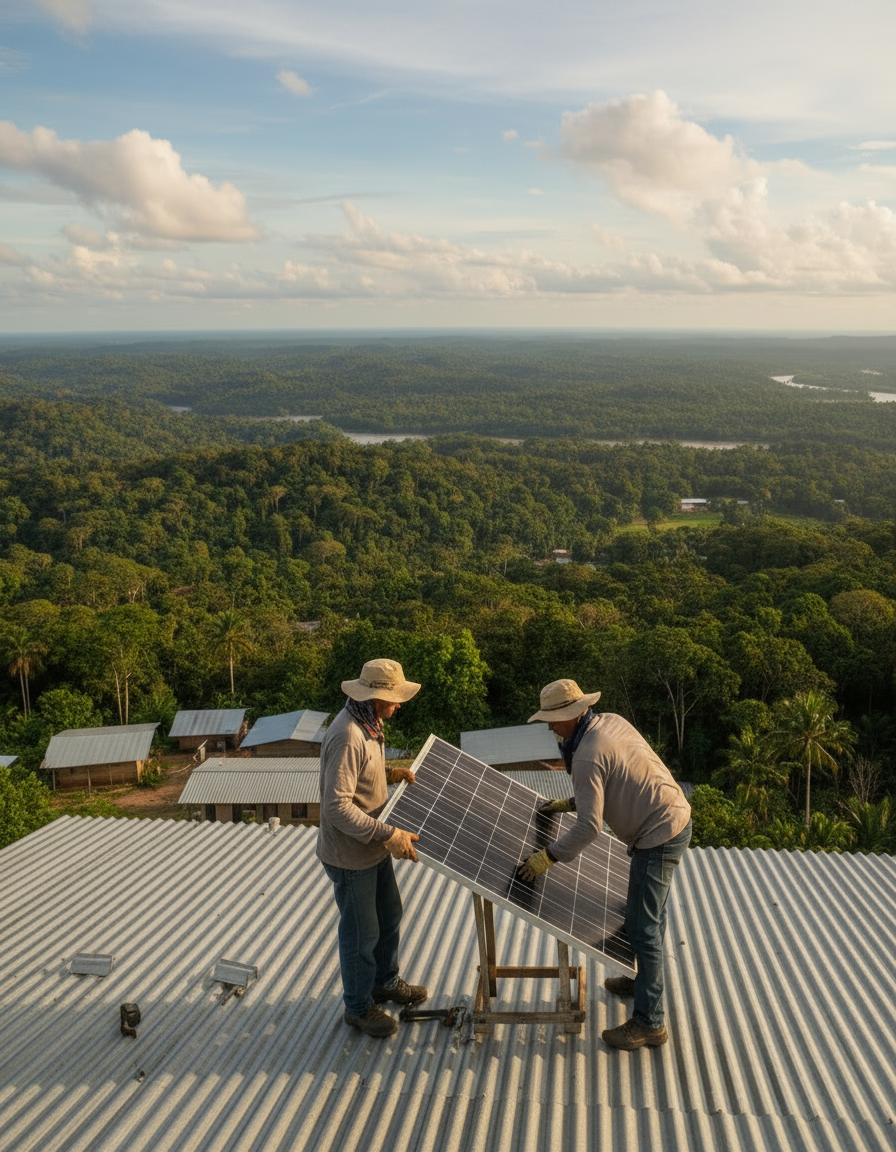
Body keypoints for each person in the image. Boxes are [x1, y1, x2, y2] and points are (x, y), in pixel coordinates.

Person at [518, 678, 692, 1051]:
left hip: (658, 833)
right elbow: (613, 778)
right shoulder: (607, 721)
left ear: (574, 714)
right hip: (671, 814)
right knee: (645, 915)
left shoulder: (586, 754)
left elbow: (589, 827)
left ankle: (650, 1022)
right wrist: (574, 800)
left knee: (645, 928)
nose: (550, 727)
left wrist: (547, 856)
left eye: (554, 719)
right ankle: (640, 982)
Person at [317, 657, 428, 1039]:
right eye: (393, 699)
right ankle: (359, 1007)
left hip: (372, 849)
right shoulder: (348, 735)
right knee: (362, 934)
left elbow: (360, 775)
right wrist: (388, 835)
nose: (398, 705)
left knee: (389, 915)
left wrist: (389, 773)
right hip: (352, 856)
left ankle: (385, 982)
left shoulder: (369, 723)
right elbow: (336, 805)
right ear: (373, 697)